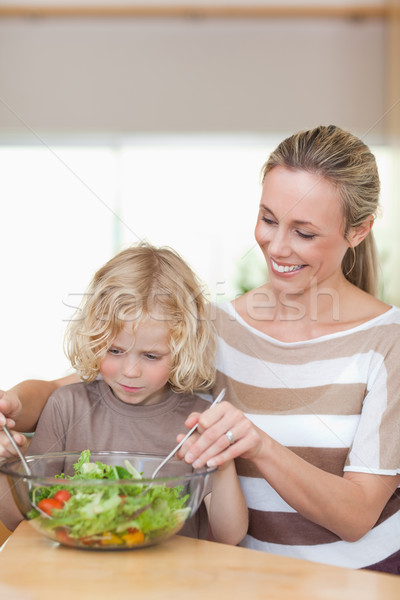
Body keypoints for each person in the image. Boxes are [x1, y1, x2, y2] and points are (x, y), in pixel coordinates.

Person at [1, 125, 399, 572]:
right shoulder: (213, 327)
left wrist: (259, 445)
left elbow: (357, 515)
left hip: (360, 584)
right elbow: (76, 385)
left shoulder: (389, 342)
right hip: (245, 581)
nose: (277, 245)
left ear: (359, 231)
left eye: (304, 232)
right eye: (268, 219)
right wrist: (12, 402)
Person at [0, 243, 248, 545]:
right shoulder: (67, 406)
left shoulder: (198, 422)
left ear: (183, 350)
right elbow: (19, 520)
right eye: (115, 351)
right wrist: (4, 465)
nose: (130, 371)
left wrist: (220, 463)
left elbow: (229, 536)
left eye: (151, 356)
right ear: (94, 339)